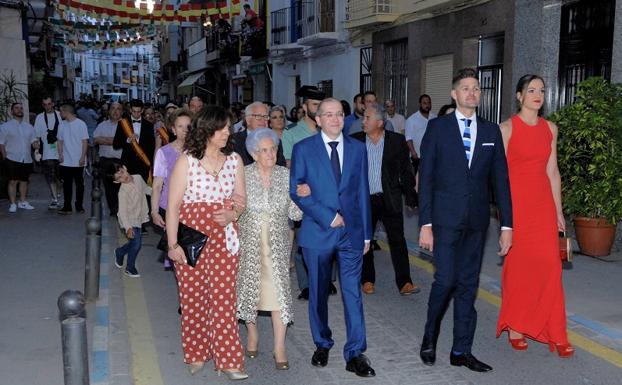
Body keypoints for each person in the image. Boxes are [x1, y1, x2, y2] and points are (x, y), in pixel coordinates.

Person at [417, 68, 512, 372]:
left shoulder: (490, 131)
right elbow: (427, 179)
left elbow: (501, 180)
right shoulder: (438, 128)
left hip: (476, 222)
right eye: (466, 88)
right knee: (445, 280)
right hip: (444, 221)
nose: (472, 93)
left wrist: (507, 225)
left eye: (476, 89)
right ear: (454, 94)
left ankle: (461, 350)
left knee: (468, 286)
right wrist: (426, 223)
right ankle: (430, 335)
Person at [289, 98, 375, 377]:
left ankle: (355, 352)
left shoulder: (358, 148)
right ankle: (322, 343)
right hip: (318, 231)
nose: (336, 119)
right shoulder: (303, 149)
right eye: (329, 114)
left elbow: (363, 191)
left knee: (353, 293)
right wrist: (328, 216)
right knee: (318, 293)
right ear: (318, 119)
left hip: (351, 234)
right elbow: (297, 190)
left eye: (339, 114)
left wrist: (366, 235)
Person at [166, 105, 248, 380]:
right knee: (193, 298)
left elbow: (240, 199)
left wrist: (232, 214)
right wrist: (172, 245)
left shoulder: (235, 159)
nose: (227, 132)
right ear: (207, 129)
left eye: (229, 127)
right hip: (192, 236)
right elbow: (174, 207)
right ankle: (197, 353)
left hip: (224, 236)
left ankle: (229, 360)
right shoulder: (186, 161)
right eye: (222, 127)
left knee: (224, 298)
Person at [496, 75, 574, 357]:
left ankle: (556, 331)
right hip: (517, 207)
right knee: (518, 268)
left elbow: (552, 172)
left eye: (542, 90)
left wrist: (558, 211)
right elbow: (499, 176)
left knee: (550, 268)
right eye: (531, 90)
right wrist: (505, 217)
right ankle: (516, 326)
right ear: (519, 96)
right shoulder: (506, 129)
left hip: (542, 207)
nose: (538, 95)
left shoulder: (550, 128)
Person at [236, 128, 303, 370]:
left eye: (273, 148)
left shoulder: (286, 175)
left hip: (277, 243)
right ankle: (252, 334)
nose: (270, 154)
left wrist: (303, 195)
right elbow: (234, 209)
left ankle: (279, 346)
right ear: (254, 154)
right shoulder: (241, 175)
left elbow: (295, 213)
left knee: (279, 295)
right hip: (249, 244)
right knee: (249, 291)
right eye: (264, 150)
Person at [351, 104, 419, 296]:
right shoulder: (354, 142)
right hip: (365, 202)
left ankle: (405, 282)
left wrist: (411, 197)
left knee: (398, 240)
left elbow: (406, 171)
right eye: (364, 118)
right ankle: (367, 280)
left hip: (390, 198)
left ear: (380, 123)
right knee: (366, 241)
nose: (363, 121)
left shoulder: (396, 141)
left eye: (367, 118)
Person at [282, 86, 337, 301]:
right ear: (305, 107)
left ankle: (327, 280)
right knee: (304, 239)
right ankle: (306, 284)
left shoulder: (330, 131)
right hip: (303, 195)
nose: (319, 108)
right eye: (315, 105)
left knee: (331, 235)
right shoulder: (291, 133)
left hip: (329, 195)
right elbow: (289, 165)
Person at [151, 108, 192, 270]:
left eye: (188, 126)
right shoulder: (164, 153)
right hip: (169, 209)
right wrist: (154, 211)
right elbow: (157, 185)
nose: (184, 130)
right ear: (173, 129)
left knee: (192, 254)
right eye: (180, 126)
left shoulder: (200, 151)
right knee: (177, 253)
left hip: (192, 209)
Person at [112, 164, 150, 277]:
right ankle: (130, 267)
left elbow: (146, 189)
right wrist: (128, 227)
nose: (123, 177)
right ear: (116, 182)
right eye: (119, 178)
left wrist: (158, 193)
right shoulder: (122, 193)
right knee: (137, 244)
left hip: (139, 216)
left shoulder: (138, 177)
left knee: (134, 243)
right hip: (128, 220)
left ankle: (120, 252)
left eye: (122, 172)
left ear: (125, 168)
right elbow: (123, 213)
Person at [0, 102, 39, 213]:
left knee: (24, 181)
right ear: (12, 111)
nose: (19, 110)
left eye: (21, 108)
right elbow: (1, 143)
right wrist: (4, 157)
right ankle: (13, 204)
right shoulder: (5, 127)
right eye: (16, 108)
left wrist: (36, 145)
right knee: (12, 181)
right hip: (11, 158)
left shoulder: (29, 127)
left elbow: (34, 141)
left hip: (26, 158)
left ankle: (23, 202)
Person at [112, 99, 155, 184]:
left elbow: (151, 147)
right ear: (130, 110)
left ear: (142, 110)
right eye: (134, 111)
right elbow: (115, 144)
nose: (136, 114)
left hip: (144, 164)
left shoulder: (149, 125)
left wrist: (151, 164)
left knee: (143, 193)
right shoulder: (122, 123)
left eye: (139, 111)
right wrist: (128, 140)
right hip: (127, 165)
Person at [57, 104, 89, 215]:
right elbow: (60, 141)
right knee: (67, 185)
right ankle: (67, 206)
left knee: (80, 184)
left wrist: (82, 157)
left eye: (61, 111)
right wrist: (60, 154)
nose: (60, 113)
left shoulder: (81, 124)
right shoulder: (61, 125)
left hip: (78, 160)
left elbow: (85, 142)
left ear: (66, 112)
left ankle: (79, 206)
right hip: (66, 161)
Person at [231, 101, 286, 166]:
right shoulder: (234, 140)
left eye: (265, 116)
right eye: (258, 116)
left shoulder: (275, 140)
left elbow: (281, 166)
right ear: (248, 120)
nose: (263, 120)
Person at [93, 102, 123, 216]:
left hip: (120, 161)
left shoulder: (125, 126)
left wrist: (105, 139)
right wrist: (113, 140)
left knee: (121, 187)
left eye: (118, 109)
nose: (115, 111)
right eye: (113, 109)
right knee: (109, 187)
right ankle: (114, 210)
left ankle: (121, 209)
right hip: (105, 161)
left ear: (122, 111)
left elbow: (124, 142)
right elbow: (95, 139)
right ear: (109, 111)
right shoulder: (102, 125)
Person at [33, 96, 62, 209]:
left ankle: (58, 191)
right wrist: (36, 149)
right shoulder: (40, 117)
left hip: (61, 151)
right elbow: (36, 135)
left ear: (53, 104)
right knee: (50, 176)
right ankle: (54, 199)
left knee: (60, 178)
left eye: (49, 104)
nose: (47, 107)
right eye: (45, 104)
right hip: (46, 152)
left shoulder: (60, 115)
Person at [405, 94, 436, 183]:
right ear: (420, 104)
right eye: (424, 103)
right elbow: (408, 138)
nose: (427, 105)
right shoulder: (412, 119)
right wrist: (413, 152)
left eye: (429, 103)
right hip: (417, 157)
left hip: (432, 156)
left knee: (430, 181)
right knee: (417, 182)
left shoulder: (434, 118)